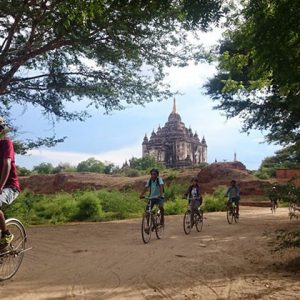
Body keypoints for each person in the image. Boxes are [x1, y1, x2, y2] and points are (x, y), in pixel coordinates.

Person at [0, 117, 20, 249]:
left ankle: (6, 234)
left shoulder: (6, 144)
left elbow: (6, 164)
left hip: (10, 187)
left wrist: (0, 186)